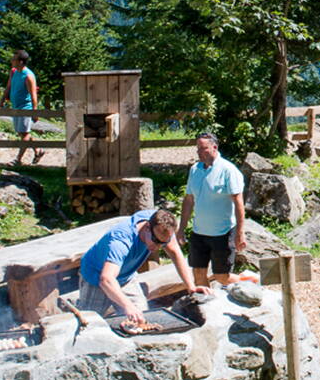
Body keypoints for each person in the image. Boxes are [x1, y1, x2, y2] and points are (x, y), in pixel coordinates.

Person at [78, 208, 209, 317]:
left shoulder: (163, 225)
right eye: (155, 240)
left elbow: (175, 253)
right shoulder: (121, 241)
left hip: (126, 278)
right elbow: (106, 280)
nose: (158, 247)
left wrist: (191, 286)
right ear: (147, 227)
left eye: (162, 243)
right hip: (95, 278)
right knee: (90, 323)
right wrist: (128, 306)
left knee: (142, 317)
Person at [179, 133, 247, 288]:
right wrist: (181, 229)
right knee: (198, 274)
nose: (199, 152)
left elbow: (238, 203)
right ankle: (206, 305)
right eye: (198, 149)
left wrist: (240, 232)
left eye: (203, 149)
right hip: (199, 232)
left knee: (221, 277)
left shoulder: (228, 170)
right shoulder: (195, 170)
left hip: (222, 232)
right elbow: (189, 200)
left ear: (214, 147)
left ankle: (250, 282)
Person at [0, 50, 41, 164]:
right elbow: (8, 87)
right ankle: (38, 150)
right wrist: (1, 101)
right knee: (22, 133)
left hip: (25, 108)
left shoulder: (28, 76)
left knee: (24, 134)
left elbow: (33, 94)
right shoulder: (14, 72)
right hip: (16, 107)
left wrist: (34, 112)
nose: (11, 60)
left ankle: (18, 160)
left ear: (21, 62)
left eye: (14, 59)